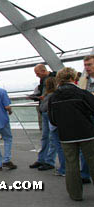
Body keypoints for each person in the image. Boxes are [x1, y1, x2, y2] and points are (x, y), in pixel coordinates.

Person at [48, 67, 94, 201]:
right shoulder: (82, 93)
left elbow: (53, 119)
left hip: (66, 136)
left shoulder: (54, 97)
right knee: (92, 161)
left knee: (71, 164)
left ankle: (75, 194)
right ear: (74, 78)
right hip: (87, 133)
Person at [31, 64, 56, 131]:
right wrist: (36, 97)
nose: (37, 75)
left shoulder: (55, 77)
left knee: (51, 133)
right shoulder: (42, 80)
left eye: (38, 73)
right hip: (44, 108)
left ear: (43, 71)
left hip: (51, 109)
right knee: (46, 133)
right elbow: (43, 92)